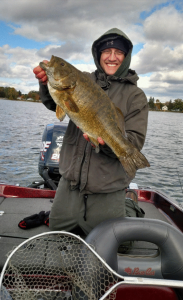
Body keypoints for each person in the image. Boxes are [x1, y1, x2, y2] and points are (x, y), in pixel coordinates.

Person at [33, 28, 148, 236]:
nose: (112, 57)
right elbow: (54, 103)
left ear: (126, 56)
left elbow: (135, 141)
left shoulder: (136, 96)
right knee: (54, 237)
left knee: (112, 246)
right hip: (68, 186)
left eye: (118, 52)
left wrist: (109, 146)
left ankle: (129, 204)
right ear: (98, 54)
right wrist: (45, 83)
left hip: (107, 190)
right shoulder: (83, 79)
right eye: (107, 51)